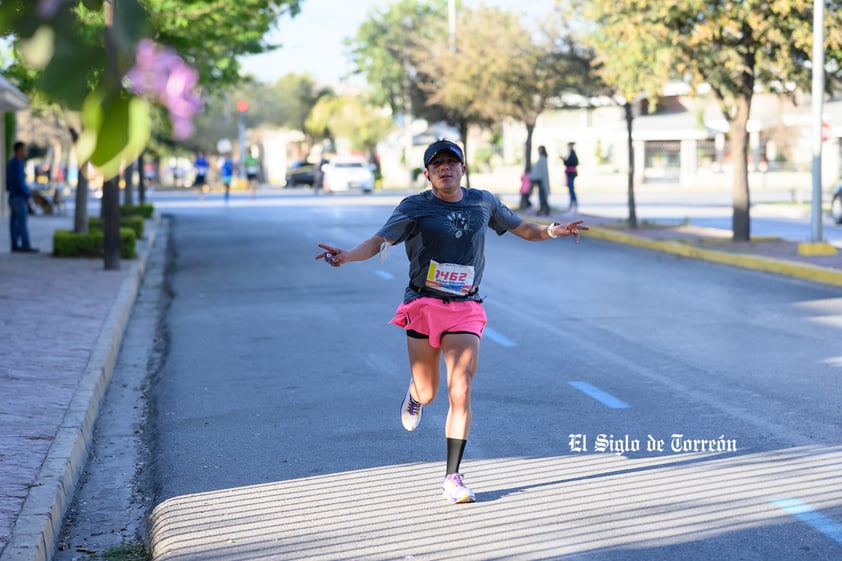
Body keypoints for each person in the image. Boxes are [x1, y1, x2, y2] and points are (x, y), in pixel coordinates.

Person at [315, 139, 587, 504]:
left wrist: (555, 229)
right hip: (424, 304)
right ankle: (414, 394)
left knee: (460, 388)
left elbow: (523, 228)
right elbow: (380, 240)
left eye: (452, 162)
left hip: (465, 307)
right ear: (427, 173)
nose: (445, 168)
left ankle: (452, 477)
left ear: (462, 169)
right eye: (437, 164)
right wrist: (348, 256)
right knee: (428, 391)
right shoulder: (414, 207)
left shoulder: (483, 202)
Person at [6, 141, 39, 253]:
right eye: (24, 149)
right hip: (19, 197)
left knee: (14, 222)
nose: (26, 152)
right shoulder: (18, 164)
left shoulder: (11, 163)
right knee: (22, 222)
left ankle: (15, 245)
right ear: (19, 150)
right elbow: (20, 183)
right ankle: (25, 245)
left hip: (12, 196)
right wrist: (27, 196)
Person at [529, 145, 551, 216]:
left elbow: (544, 171)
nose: (539, 151)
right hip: (538, 180)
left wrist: (545, 181)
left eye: (541, 150)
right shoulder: (540, 158)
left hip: (541, 180)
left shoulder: (543, 158)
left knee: (543, 195)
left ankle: (545, 209)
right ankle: (542, 208)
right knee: (541, 195)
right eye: (539, 150)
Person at [561, 142, 579, 212]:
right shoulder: (571, 153)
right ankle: (572, 203)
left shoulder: (573, 153)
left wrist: (565, 160)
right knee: (570, 189)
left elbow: (573, 163)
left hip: (571, 173)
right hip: (570, 173)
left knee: (571, 189)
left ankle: (573, 204)